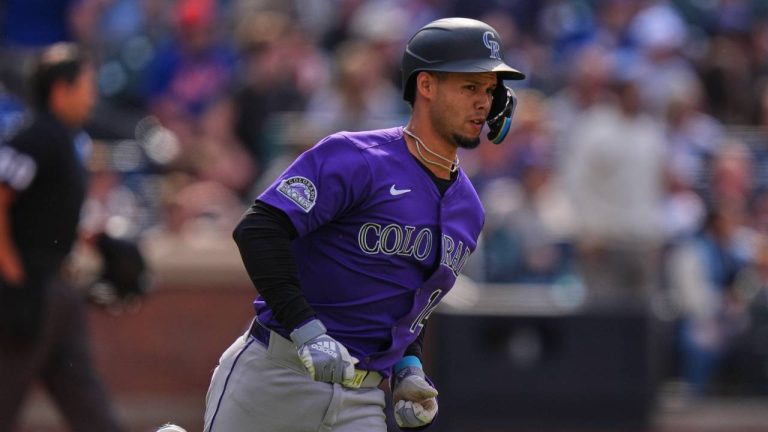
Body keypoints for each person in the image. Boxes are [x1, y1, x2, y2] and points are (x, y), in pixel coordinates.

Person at [204, 17, 525, 431]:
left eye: (490, 90)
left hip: (363, 400)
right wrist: (305, 328)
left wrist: (409, 366)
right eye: (470, 87)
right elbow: (258, 229)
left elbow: (411, 301)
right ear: (425, 86)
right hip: (278, 375)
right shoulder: (357, 157)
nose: (484, 103)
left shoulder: (470, 208)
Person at [0, 43, 124, 431]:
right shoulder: (34, 136)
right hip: (27, 292)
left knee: (86, 399)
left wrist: (99, 243)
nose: (92, 97)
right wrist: (12, 272)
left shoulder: (63, 140)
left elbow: (50, 211)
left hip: (55, 290)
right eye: (87, 86)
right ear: (61, 89)